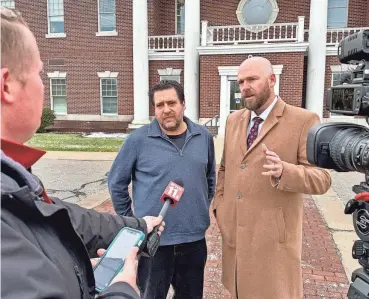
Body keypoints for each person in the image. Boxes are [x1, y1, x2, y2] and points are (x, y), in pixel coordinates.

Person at [0, 8, 164, 299]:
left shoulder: (12, 179)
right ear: (7, 86)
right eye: (39, 73)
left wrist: (139, 226)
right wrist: (123, 290)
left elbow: (57, 216)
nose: (43, 85)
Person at [213, 56, 332, 299]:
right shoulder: (233, 120)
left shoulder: (303, 121)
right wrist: (221, 207)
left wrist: (285, 172)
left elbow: (322, 178)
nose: (244, 86)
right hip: (235, 235)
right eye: (241, 81)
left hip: (273, 243)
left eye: (252, 79)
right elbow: (226, 167)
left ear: (272, 80)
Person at [108, 80, 216, 299]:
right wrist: (133, 222)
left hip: (193, 241)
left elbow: (209, 179)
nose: (166, 109)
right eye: (159, 105)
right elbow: (116, 182)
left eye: (171, 102)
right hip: (154, 242)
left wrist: (198, 209)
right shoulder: (137, 140)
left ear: (183, 104)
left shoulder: (203, 137)